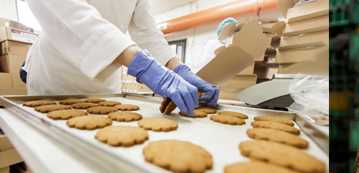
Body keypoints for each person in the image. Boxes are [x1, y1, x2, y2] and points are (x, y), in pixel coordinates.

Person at [23, 0, 219, 113]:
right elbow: (69, 14)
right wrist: (143, 66)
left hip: (104, 85)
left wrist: (178, 68)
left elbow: (146, 29)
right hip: (57, 78)